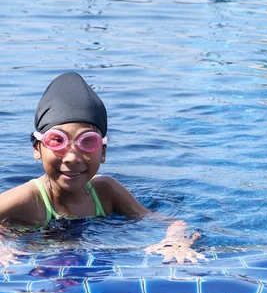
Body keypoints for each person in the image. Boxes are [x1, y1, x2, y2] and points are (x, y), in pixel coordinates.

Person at [0, 72, 205, 266]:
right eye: (57, 141)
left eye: (87, 141)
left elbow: (175, 223)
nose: (72, 157)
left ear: (103, 152)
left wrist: (174, 242)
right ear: (38, 149)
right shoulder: (27, 198)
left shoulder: (106, 191)